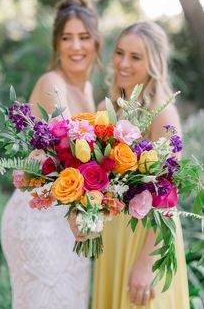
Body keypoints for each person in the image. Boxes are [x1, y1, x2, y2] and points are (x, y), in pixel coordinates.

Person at [0, 0, 102, 309]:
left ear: (96, 43)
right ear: (56, 44)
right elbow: (68, 160)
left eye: (83, 37)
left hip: (71, 221)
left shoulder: (87, 90)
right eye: (66, 38)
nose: (75, 46)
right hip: (39, 219)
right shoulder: (52, 82)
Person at [92, 22, 190, 309]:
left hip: (148, 238)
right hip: (113, 235)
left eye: (135, 57)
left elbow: (169, 192)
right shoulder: (106, 107)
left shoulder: (162, 111)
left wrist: (146, 263)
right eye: (120, 53)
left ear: (153, 63)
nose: (123, 63)